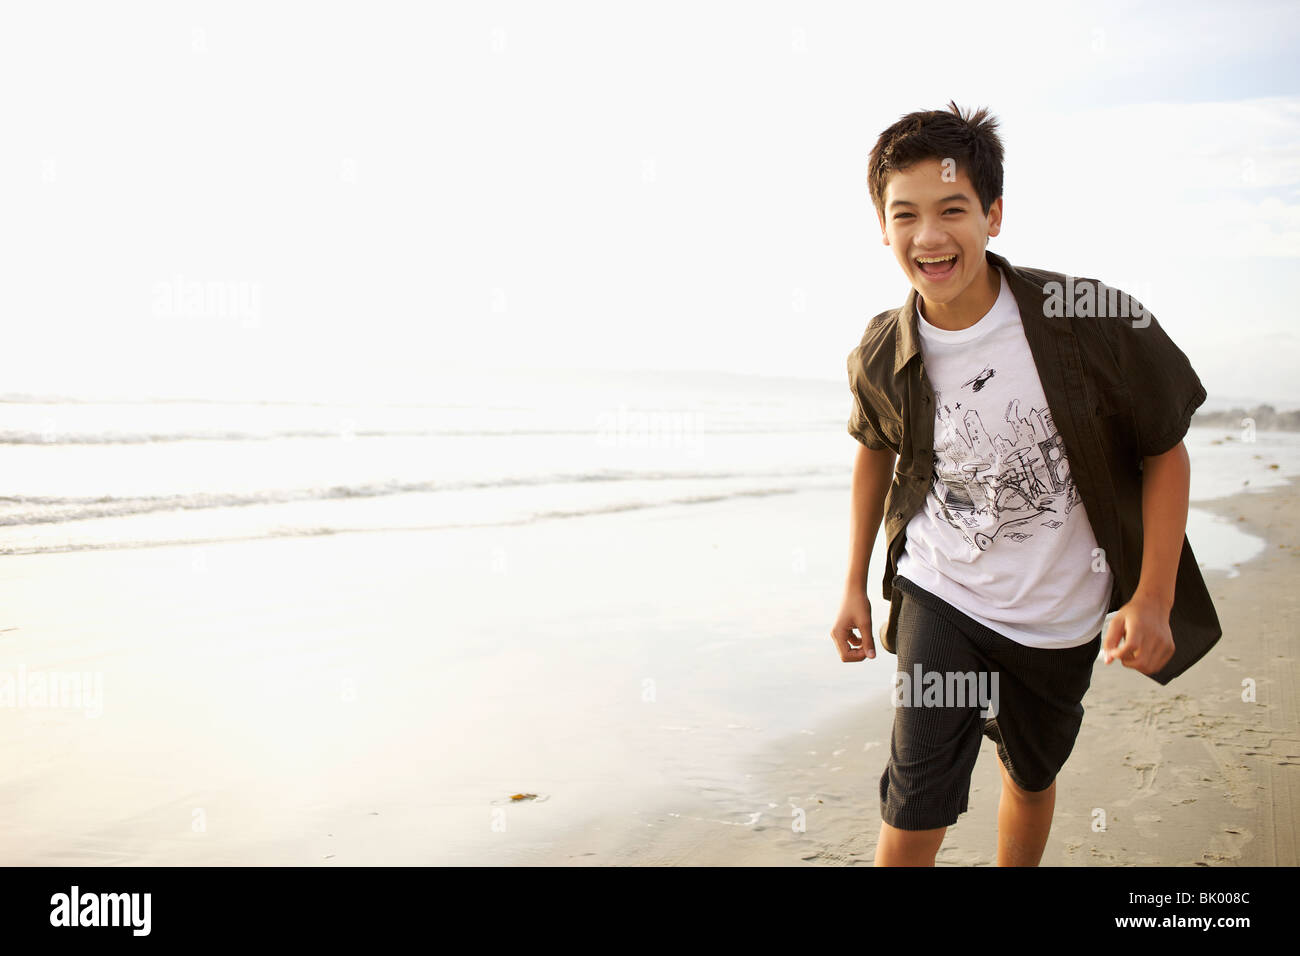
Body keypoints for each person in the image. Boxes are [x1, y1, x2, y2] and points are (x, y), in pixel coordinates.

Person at [829, 101, 1221, 866]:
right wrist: (852, 582)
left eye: (953, 210)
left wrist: (1153, 599)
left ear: (994, 215)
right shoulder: (883, 348)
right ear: (882, 226)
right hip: (941, 589)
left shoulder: (1090, 318)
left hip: (1058, 614)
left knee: (1030, 775)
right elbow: (874, 446)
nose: (929, 236)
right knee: (916, 794)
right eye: (904, 214)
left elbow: (1163, 452)